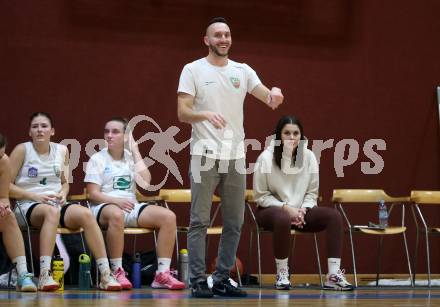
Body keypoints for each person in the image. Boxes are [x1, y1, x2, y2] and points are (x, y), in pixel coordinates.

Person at [177, 17, 284, 298]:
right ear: (207, 40)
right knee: (200, 219)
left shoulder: (243, 70)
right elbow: (182, 112)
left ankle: (222, 278)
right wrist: (205, 114)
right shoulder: (192, 70)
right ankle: (198, 280)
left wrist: (274, 94)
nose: (223, 39)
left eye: (226, 35)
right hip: (204, 155)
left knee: (234, 222)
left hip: (235, 157)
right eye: (217, 35)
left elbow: (266, 96)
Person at [8, 112, 122, 291]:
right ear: (29, 132)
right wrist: (34, 196)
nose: (39, 130)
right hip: (27, 206)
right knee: (51, 212)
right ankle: (45, 275)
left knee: (85, 213)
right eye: (35, 126)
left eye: (44, 126)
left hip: (56, 204)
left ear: (52, 131)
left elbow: (65, 182)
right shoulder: (22, 150)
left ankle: (105, 275)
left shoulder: (62, 150)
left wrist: (63, 193)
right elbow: (5, 185)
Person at [253, 115, 354, 291]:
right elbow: (260, 195)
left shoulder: (308, 156)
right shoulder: (266, 158)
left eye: (295, 133)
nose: (292, 137)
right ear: (278, 135)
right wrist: (287, 209)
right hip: (270, 211)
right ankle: (282, 274)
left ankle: (333, 275)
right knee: (283, 218)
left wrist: (303, 210)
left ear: (301, 136)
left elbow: (312, 192)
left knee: (333, 216)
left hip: (301, 212)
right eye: (287, 133)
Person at [85, 117, 185, 290]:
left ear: (126, 136)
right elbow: (92, 194)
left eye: (115, 132)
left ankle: (162, 274)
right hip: (104, 208)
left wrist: (135, 149)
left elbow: (146, 183)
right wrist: (116, 201)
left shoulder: (131, 157)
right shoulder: (97, 158)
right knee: (116, 214)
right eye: (106, 131)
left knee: (168, 217)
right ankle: (117, 271)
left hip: (131, 207)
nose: (109, 135)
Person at [0, 133, 37, 292]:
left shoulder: (3, 161)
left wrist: (4, 206)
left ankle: (23, 274)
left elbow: (3, 196)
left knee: (8, 216)